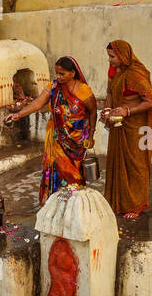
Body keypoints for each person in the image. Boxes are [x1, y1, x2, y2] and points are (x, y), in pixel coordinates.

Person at [6, 57, 98, 206]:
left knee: (75, 174)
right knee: (58, 169)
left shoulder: (83, 90)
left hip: (77, 139)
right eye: (57, 73)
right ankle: (57, 204)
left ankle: (75, 205)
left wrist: (92, 135)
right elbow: (37, 103)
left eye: (62, 74)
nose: (58, 77)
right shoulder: (53, 86)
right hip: (56, 137)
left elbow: (93, 111)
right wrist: (17, 115)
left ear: (72, 73)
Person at [102, 40, 152, 219]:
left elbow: (151, 101)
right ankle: (117, 202)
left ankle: (136, 205)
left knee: (136, 164)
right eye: (108, 57)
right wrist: (106, 110)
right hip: (118, 124)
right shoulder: (113, 71)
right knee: (117, 161)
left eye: (112, 57)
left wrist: (127, 111)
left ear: (123, 56)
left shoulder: (135, 75)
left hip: (137, 126)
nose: (110, 60)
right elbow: (110, 93)